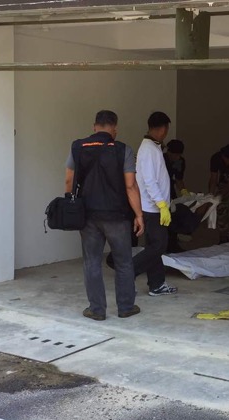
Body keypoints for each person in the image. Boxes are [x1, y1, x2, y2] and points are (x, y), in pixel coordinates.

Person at [65, 110, 144, 321]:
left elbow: (69, 180)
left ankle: (96, 309)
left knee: (91, 262)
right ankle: (126, 307)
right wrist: (139, 214)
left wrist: (70, 203)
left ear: (94, 126)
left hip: (88, 215)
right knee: (124, 262)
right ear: (114, 128)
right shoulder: (123, 150)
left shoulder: (78, 147)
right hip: (117, 216)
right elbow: (130, 185)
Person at [132, 111, 178, 296]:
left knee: (154, 246)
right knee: (158, 246)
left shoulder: (153, 147)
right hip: (152, 208)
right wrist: (161, 204)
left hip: (153, 207)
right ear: (163, 129)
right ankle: (128, 272)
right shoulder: (149, 149)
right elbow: (150, 181)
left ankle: (156, 284)